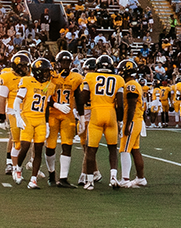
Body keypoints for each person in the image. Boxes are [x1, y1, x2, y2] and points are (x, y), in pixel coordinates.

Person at [77, 54, 123, 190]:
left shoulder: (90, 77)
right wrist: (119, 121)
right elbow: (120, 104)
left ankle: (90, 181)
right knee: (113, 149)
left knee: (91, 149)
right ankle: (113, 177)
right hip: (111, 115)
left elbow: (82, 99)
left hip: (96, 114)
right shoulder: (118, 79)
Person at [13, 58, 55, 189]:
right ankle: (18, 168)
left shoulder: (49, 85)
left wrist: (47, 123)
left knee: (38, 149)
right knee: (24, 146)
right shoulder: (27, 81)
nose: (47, 74)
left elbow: (47, 105)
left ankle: (33, 179)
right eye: (45, 72)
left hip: (41, 120)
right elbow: (17, 101)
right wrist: (18, 117)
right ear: (38, 72)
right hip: (28, 118)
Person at [45, 51, 83, 187]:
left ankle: (63, 178)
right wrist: (56, 105)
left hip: (68, 115)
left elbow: (79, 97)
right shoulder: (52, 77)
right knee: (50, 146)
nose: (65, 65)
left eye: (67, 62)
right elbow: (46, 98)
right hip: (53, 114)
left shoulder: (76, 77)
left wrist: (82, 116)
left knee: (67, 145)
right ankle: (51, 174)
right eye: (63, 62)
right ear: (58, 63)